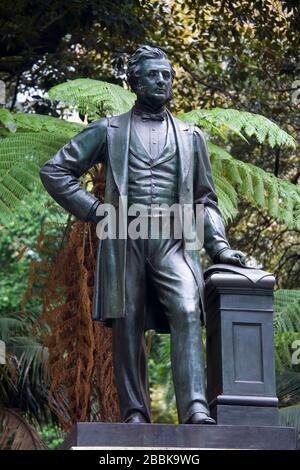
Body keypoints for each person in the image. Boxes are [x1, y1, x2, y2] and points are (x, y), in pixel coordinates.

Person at [40, 45, 246, 425]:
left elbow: (205, 199)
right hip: (124, 238)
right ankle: (134, 412)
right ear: (134, 80)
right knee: (128, 322)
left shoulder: (190, 136)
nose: (163, 81)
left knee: (187, 309)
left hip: (173, 241)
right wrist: (95, 209)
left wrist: (219, 246)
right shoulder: (108, 129)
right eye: (154, 75)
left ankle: (196, 408)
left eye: (167, 75)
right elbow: (55, 171)